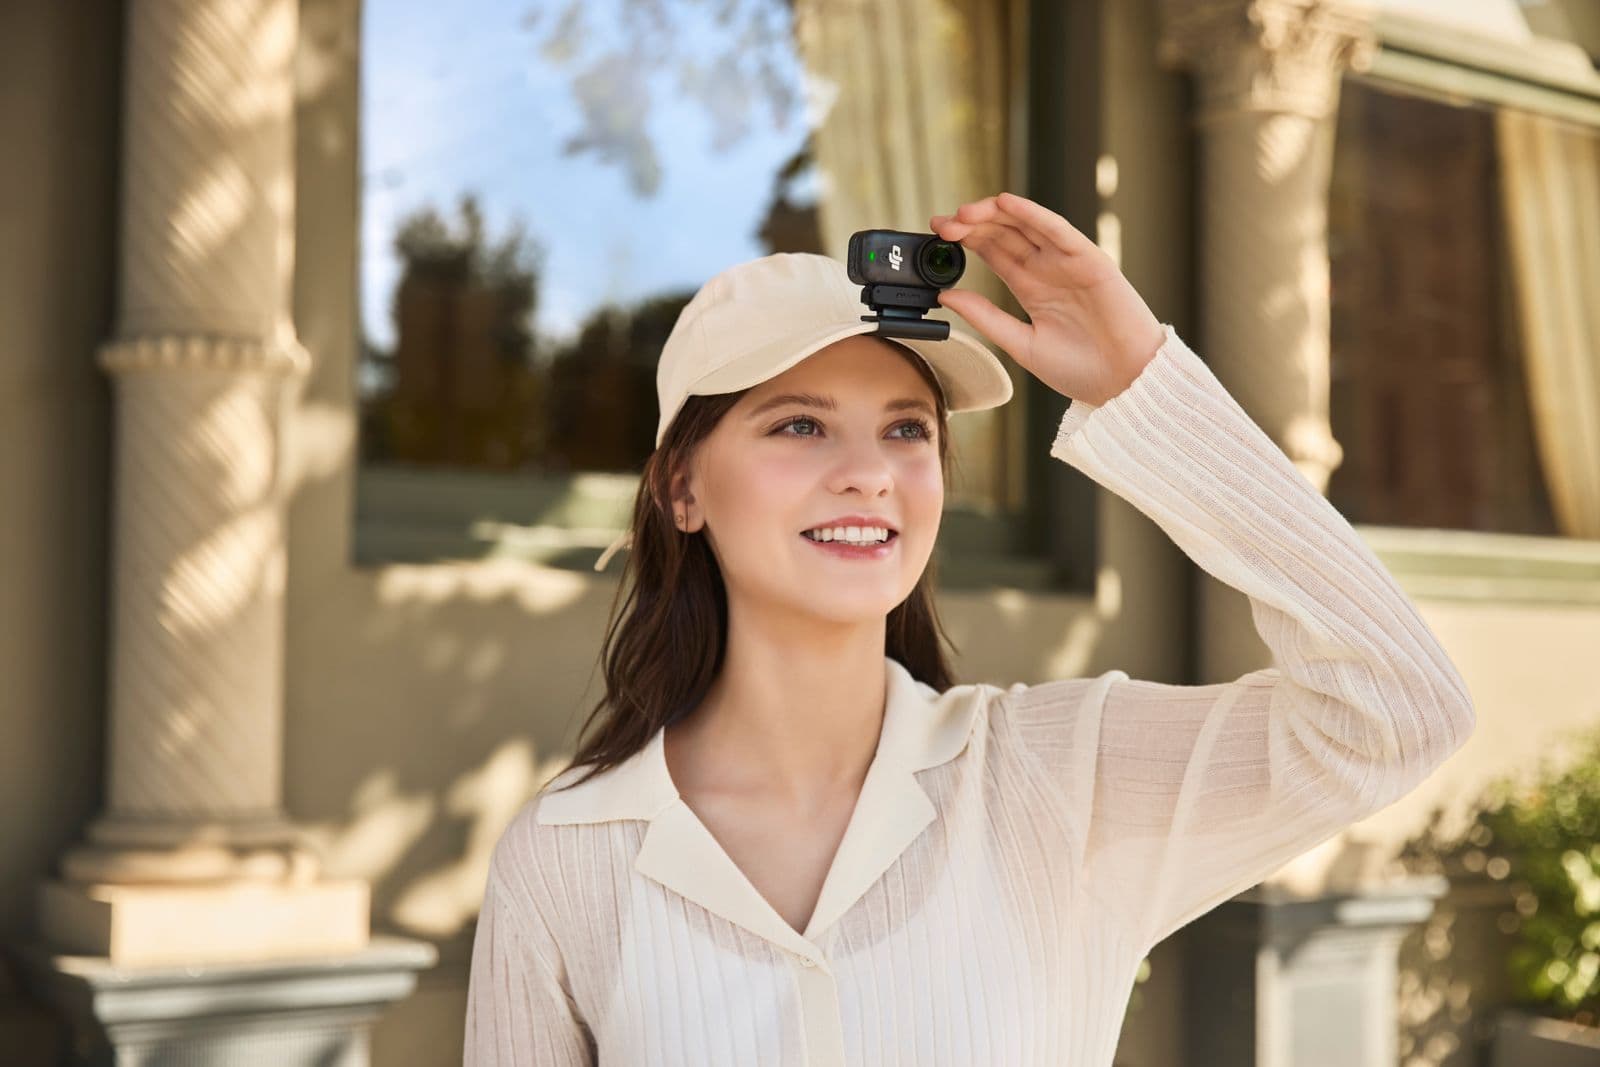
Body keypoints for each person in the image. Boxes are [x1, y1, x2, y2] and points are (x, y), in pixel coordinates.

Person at [463, 192, 1476, 1066]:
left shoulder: (1056, 778)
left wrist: (1140, 387)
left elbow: (1397, 710)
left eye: (907, 428)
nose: (871, 470)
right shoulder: (565, 855)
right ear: (681, 485)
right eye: (799, 423)